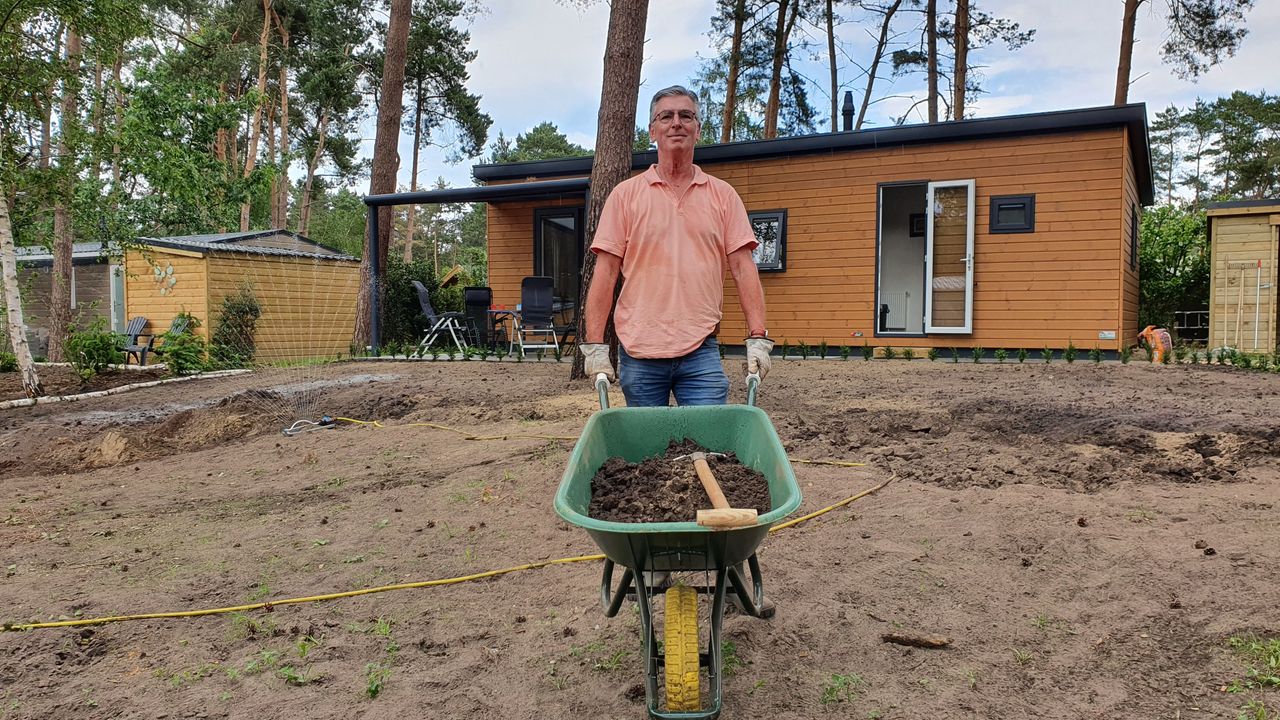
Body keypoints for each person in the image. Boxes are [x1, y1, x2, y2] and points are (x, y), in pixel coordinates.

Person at [579, 85, 773, 407]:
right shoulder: (625, 197)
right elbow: (606, 272)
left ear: (698, 129)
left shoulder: (723, 197)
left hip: (700, 351)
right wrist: (596, 345)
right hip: (639, 352)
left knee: (709, 441)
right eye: (665, 116)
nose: (676, 123)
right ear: (652, 131)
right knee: (646, 451)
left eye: (686, 115)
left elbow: (743, 267)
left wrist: (758, 336)